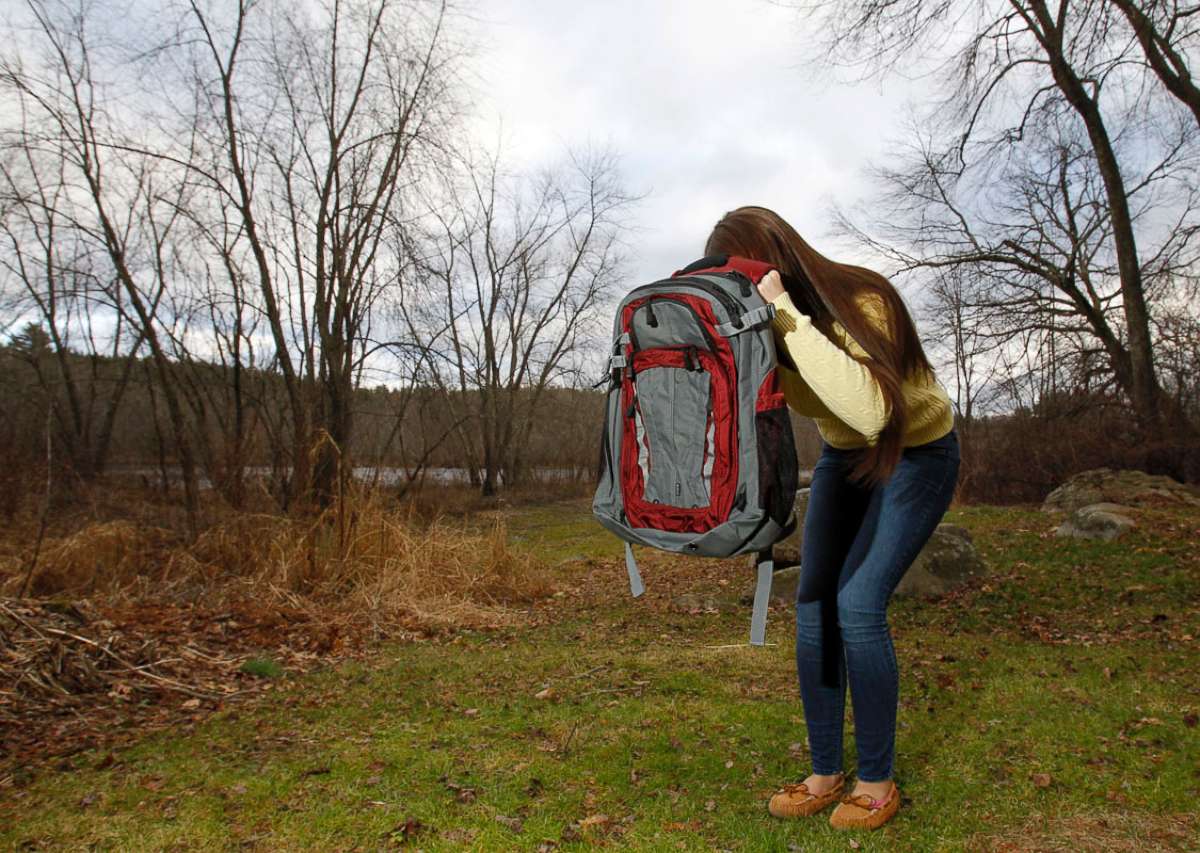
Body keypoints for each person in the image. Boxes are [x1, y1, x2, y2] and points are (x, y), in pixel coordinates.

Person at [704, 206, 960, 831]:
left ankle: (876, 779)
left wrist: (784, 313)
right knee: (814, 606)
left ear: (774, 264)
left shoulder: (865, 300)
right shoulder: (761, 328)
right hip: (844, 460)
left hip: (916, 453)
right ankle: (825, 773)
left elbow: (870, 412)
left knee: (860, 605)